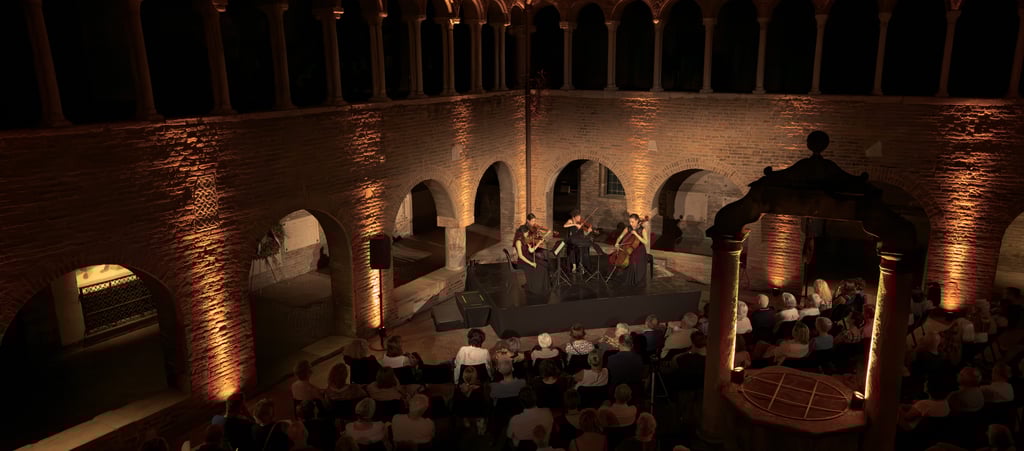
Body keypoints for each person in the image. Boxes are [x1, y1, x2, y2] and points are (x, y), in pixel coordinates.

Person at [515, 213, 550, 294]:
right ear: (522, 233)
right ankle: (535, 287)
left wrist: (538, 243)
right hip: (522, 261)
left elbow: (531, 250)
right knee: (539, 268)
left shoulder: (525, 240)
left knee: (543, 267)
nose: (528, 234)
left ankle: (543, 287)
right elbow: (521, 256)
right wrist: (531, 263)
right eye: (526, 233)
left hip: (528, 257)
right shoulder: (518, 242)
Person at [613, 214, 650, 286]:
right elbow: (620, 237)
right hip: (630, 247)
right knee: (628, 258)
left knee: (634, 259)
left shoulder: (642, 230)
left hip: (639, 249)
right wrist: (617, 243)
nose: (631, 224)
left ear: (637, 221)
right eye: (630, 222)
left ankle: (637, 280)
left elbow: (645, 242)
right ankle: (627, 279)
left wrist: (636, 234)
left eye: (632, 222)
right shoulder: (628, 228)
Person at [453, 365, 490, 434]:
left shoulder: (457, 389)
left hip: (462, 411)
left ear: (463, 377)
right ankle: (480, 426)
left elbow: (455, 402)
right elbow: (482, 403)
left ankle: (465, 420)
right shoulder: (479, 390)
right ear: (476, 377)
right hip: (477, 411)